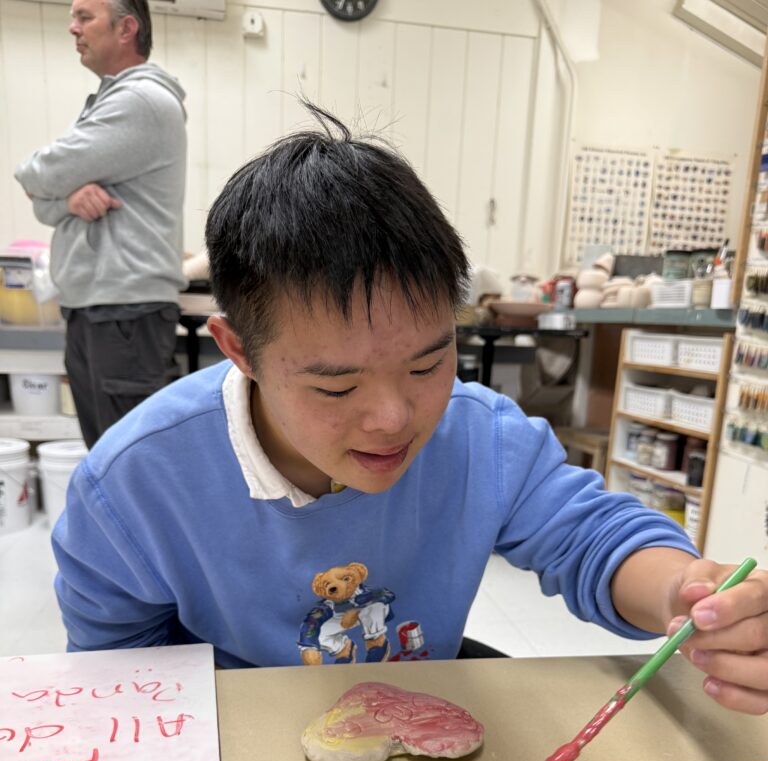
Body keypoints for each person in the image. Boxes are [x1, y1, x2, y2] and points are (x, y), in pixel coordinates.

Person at [51, 104, 768, 716]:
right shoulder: (134, 483)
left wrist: (686, 594)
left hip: (417, 725)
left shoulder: (480, 437)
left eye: (428, 364)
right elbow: (118, 680)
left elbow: (592, 536)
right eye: (337, 387)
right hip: (239, 741)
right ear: (240, 349)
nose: (395, 418)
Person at [14, 0, 187, 448]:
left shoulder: (140, 101)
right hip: (99, 307)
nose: (73, 28)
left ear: (126, 28)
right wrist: (68, 201)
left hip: (122, 311)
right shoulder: (110, 101)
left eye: (85, 17)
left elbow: (35, 173)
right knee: (104, 457)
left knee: (127, 462)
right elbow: (43, 201)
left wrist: (51, 189)